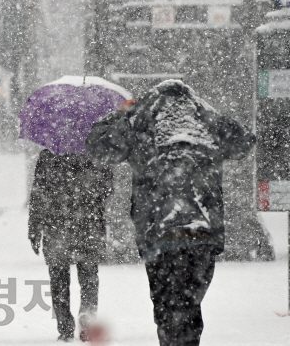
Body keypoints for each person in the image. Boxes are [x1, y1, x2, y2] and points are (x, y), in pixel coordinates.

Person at [85, 79, 255, 346]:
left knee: (167, 304)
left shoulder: (140, 122)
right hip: (203, 230)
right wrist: (207, 109)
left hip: (158, 231)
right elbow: (243, 142)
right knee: (189, 302)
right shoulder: (205, 120)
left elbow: (98, 146)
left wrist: (122, 113)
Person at [28, 149, 112, 342]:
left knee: (58, 279)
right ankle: (87, 316)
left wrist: (34, 228)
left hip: (56, 226)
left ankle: (65, 326)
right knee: (89, 277)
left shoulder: (48, 156)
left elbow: (38, 195)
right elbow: (107, 189)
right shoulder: (96, 152)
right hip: (88, 224)